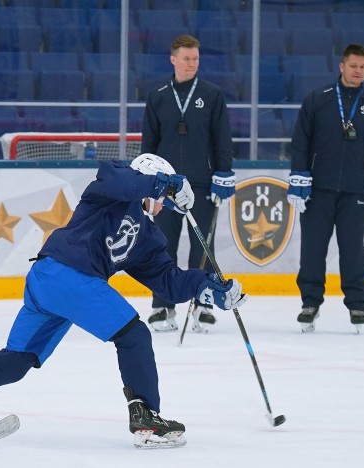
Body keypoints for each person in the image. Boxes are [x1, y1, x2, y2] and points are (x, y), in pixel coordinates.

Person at [0, 154, 247, 449]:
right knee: (134, 334)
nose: (162, 206)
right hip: (65, 275)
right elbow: (123, 181)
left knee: (17, 361)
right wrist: (165, 183)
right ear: (150, 178)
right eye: (161, 195)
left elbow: (169, 282)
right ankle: (146, 419)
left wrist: (210, 288)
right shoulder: (111, 187)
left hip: (54, 284)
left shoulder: (149, 237)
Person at [286, 44, 364, 333]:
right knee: (312, 250)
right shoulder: (318, 99)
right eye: (353, 66)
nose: (357, 71)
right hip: (317, 191)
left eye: (363, 67)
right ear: (341, 66)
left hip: (353, 193)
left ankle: (357, 303)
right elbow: (300, 141)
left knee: (352, 251)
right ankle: (310, 302)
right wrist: (299, 176)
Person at [141, 34, 235, 333]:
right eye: (186, 58)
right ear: (173, 59)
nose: (191, 63)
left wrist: (224, 173)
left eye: (195, 59)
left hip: (203, 186)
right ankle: (162, 304)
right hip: (166, 188)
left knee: (202, 247)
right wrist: (148, 183)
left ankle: (203, 303)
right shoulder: (157, 95)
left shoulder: (212, 94)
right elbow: (149, 144)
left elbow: (222, 139)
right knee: (162, 248)